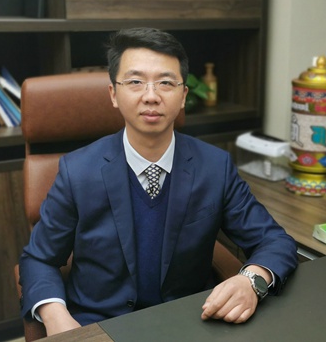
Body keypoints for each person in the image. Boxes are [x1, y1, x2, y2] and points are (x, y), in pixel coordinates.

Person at [18, 27, 298, 336]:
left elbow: (274, 240)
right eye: (135, 82)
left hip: (189, 322)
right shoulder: (78, 171)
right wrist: (56, 317)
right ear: (113, 94)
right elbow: (39, 258)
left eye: (166, 82)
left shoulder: (214, 167)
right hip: (100, 325)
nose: (151, 96)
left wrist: (252, 280)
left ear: (183, 96)